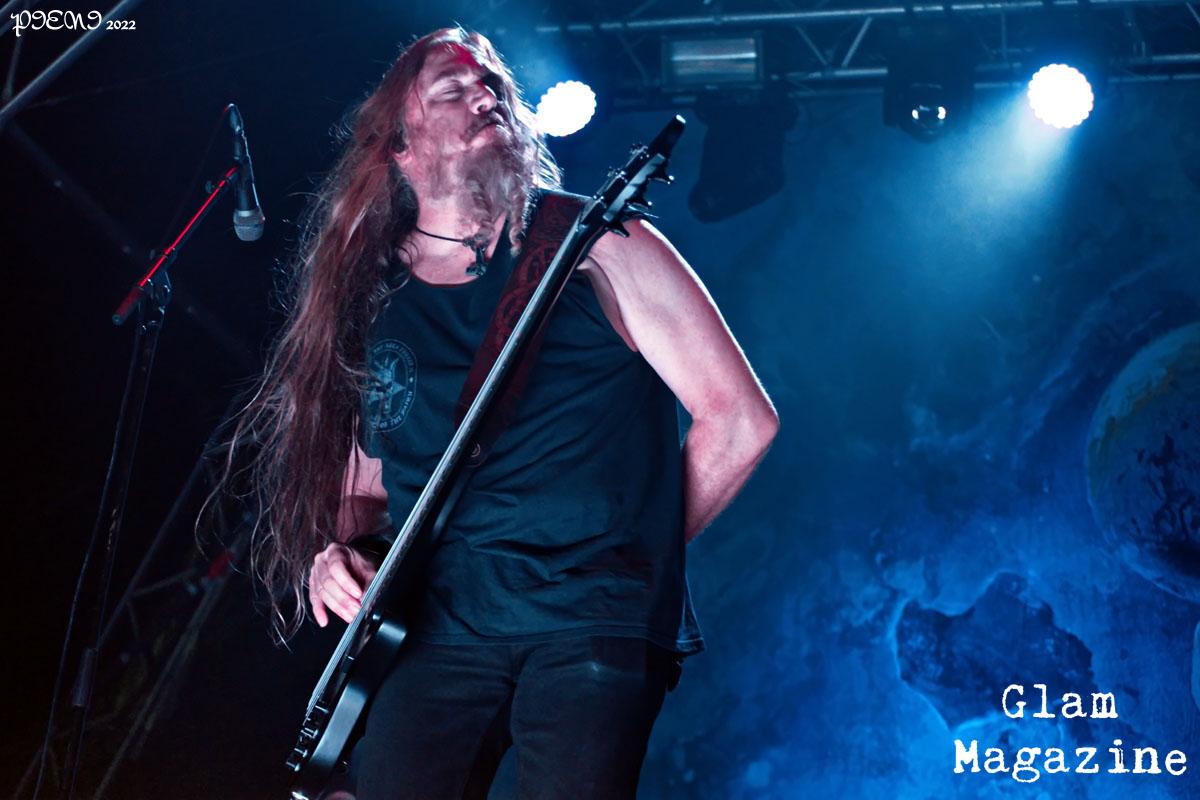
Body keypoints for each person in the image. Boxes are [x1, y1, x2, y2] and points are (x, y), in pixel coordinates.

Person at [232, 26, 777, 800]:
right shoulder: (375, 298)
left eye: (492, 84)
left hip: (590, 617)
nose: (484, 95)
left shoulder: (602, 245)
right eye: (452, 90)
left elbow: (740, 419)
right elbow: (365, 483)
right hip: (439, 624)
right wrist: (337, 552)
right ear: (399, 148)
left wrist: (635, 552)